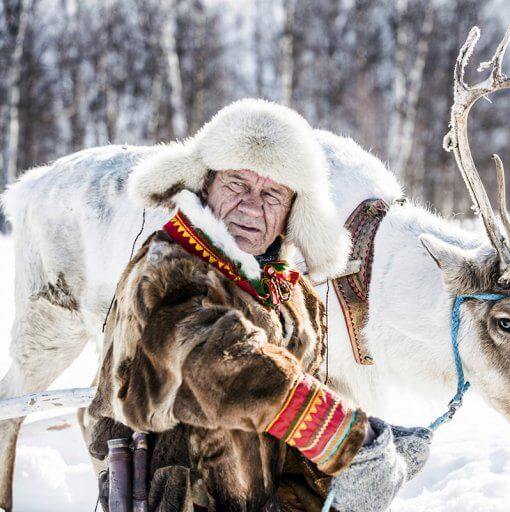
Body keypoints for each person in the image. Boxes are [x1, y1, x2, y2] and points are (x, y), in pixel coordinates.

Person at [87, 99, 431, 511]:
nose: (252, 206)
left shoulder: (295, 296)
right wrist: (344, 435)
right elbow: (216, 361)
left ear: (293, 213)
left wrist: (365, 452)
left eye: (273, 193)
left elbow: (282, 440)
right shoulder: (168, 267)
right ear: (205, 184)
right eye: (236, 184)